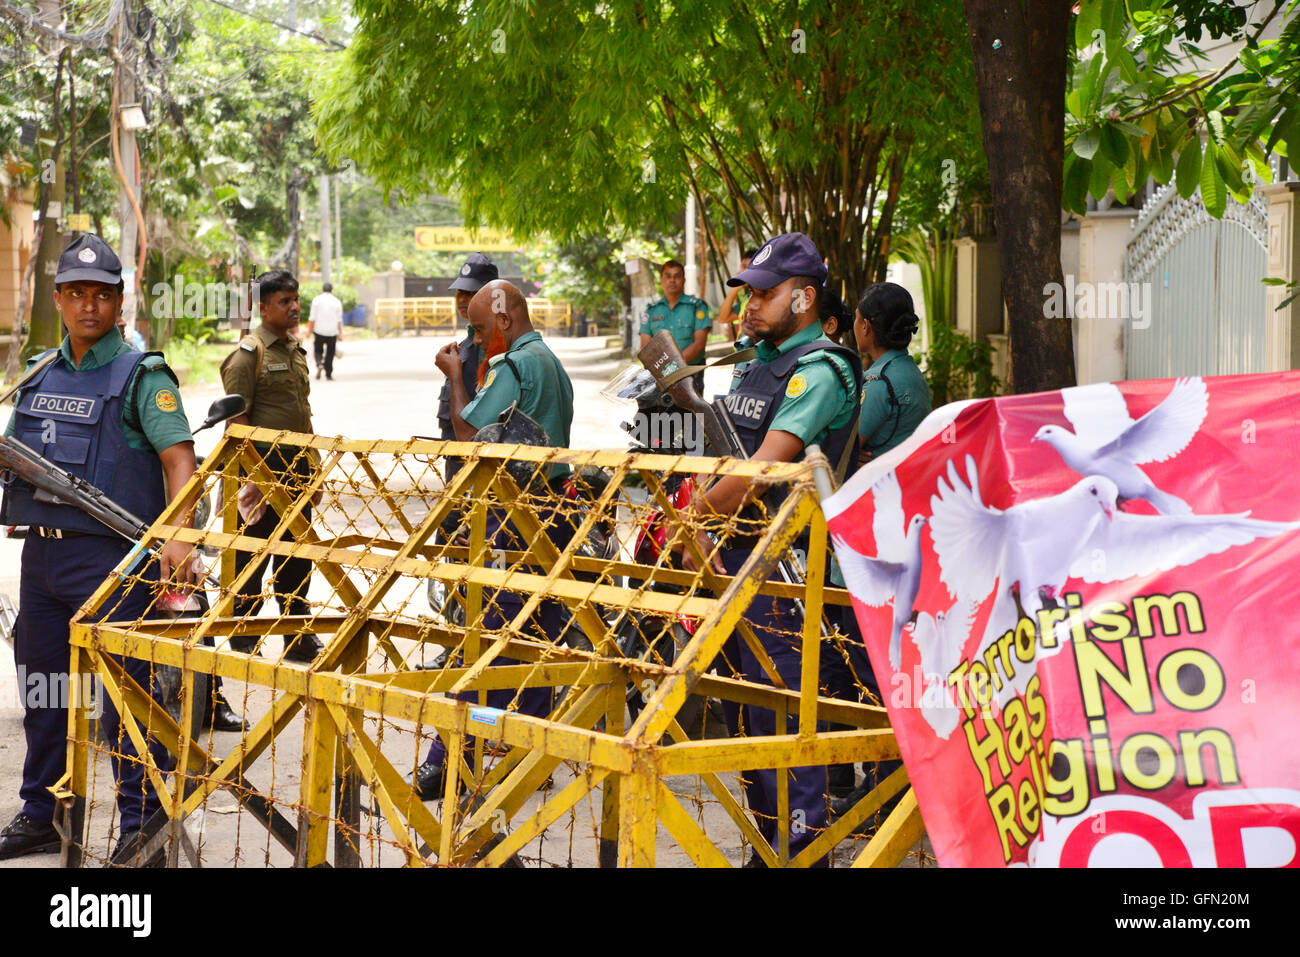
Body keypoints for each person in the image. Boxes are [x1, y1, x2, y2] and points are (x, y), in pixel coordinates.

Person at [0, 234, 200, 863]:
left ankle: (143, 824)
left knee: (127, 698)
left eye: (102, 295)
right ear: (58, 298)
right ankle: (43, 811)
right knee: (45, 690)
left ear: (119, 303)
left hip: (114, 561)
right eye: (77, 293)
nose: (89, 306)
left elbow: (180, 461)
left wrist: (178, 535)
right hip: (43, 562)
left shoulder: (144, 375)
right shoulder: (38, 373)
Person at [681, 233, 862, 865]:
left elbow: (762, 468)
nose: (749, 306)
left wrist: (695, 513)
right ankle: (767, 843)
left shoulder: (819, 370)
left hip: (789, 570)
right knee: (748, 705)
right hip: (735, 557)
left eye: (765, 294)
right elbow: (725, 453)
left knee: (783, 706)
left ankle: (801, 846)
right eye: (747, 294)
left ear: (805, 297)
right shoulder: (759, 362)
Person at [414, 280, 575, 799]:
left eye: (482, 329)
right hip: (552, 511)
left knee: (487, 638)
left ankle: (449, 755)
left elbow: (467, 432)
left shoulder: (515, 365)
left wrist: (456, 375)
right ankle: (530, 753)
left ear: (504, 321)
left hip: (513, 516)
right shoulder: (551, 362)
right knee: (540, 638)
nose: (478, 340)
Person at [827, 281, 932, 823]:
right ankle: (879, 784)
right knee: (883, 660)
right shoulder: (910, 377)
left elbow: (850, 442)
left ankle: (880, 789)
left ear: (866, 326)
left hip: (872, 531)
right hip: (901, 532)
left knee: (858, 658)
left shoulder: (881, 381)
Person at [219, 270, 323, 663]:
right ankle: (241, 631)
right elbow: (236, 418)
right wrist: (258, 474)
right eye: (284, 301)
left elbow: (302, 412)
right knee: (252, 553)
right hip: (260, 472)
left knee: (298, 554)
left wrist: (313, 464)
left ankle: (297, 634)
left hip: (297, 470)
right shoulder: (249, 354)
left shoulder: (293, 349)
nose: (294, 307)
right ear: (263, 307)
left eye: (296, 300)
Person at [854, 282, 932, 464]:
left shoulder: (881, 382)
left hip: (881, 484)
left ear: (866, 326)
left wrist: (849, 454)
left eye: (856, 318)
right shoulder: (911, 373)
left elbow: (843, 449)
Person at [436, 252, 498, 450]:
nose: (462, 299)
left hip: (478, 452)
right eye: (459, 292)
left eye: (470, 293)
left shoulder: (495, 345)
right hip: (455, 450)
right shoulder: (466, 344)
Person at [639, 260, 711, 388]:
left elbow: (699, 345)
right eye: (668, 276)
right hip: (660, 378)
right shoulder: (651, 310)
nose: (672, 280)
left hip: (690, 374)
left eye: (677, 276)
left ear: (684, 280)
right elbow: (645, 348)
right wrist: (663, 369)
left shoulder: (696, 306)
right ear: (661, 281)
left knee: (692, 409)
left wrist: (671, 367)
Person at [716, 247, 758, 340]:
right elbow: (723, 318)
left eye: (744, 267)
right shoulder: (747, 299)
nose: (739, 272)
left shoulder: (767, 299)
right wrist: (733, 291)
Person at [307, 282, 343, 380]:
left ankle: (319, 364)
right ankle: (328, 374)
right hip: (332, 331)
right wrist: (340, 334)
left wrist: (309, 331)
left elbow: (312, 318)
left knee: (318, 349)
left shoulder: (316, 300)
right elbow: (339, 320)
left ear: (323, 289)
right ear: (332, 290)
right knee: (330, 353)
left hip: (319, 330)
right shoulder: (337, 301)